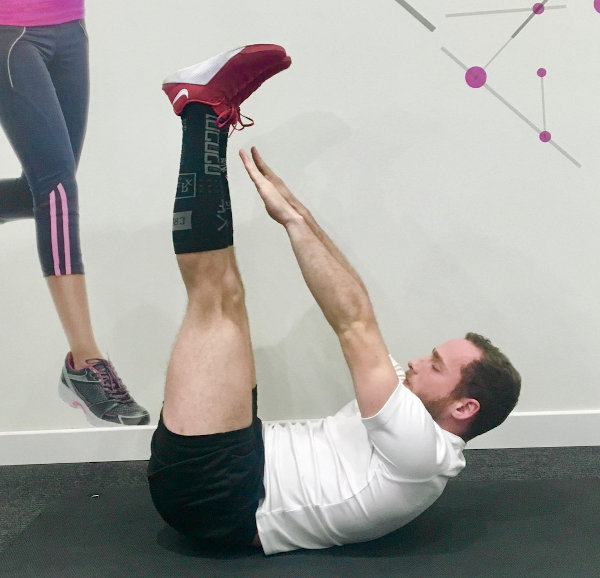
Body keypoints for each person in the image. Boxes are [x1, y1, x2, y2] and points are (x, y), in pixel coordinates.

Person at [147, 44, 521, 555]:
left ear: (464, 406)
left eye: (435, 365)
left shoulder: (422, 452)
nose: (416, 361)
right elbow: (358, 305)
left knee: (215, 299)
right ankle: (204, 112)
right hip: (244, 457)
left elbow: (354, 323)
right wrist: (297, 214)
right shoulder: (408, 416)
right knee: (225, 297)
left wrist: (294, 220)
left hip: (221, 499)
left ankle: (199, 110)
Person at [0, 1, 149, 425]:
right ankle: (84, 363)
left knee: (43, 188)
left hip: (69, 27)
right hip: (9, 31)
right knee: (57, 191)